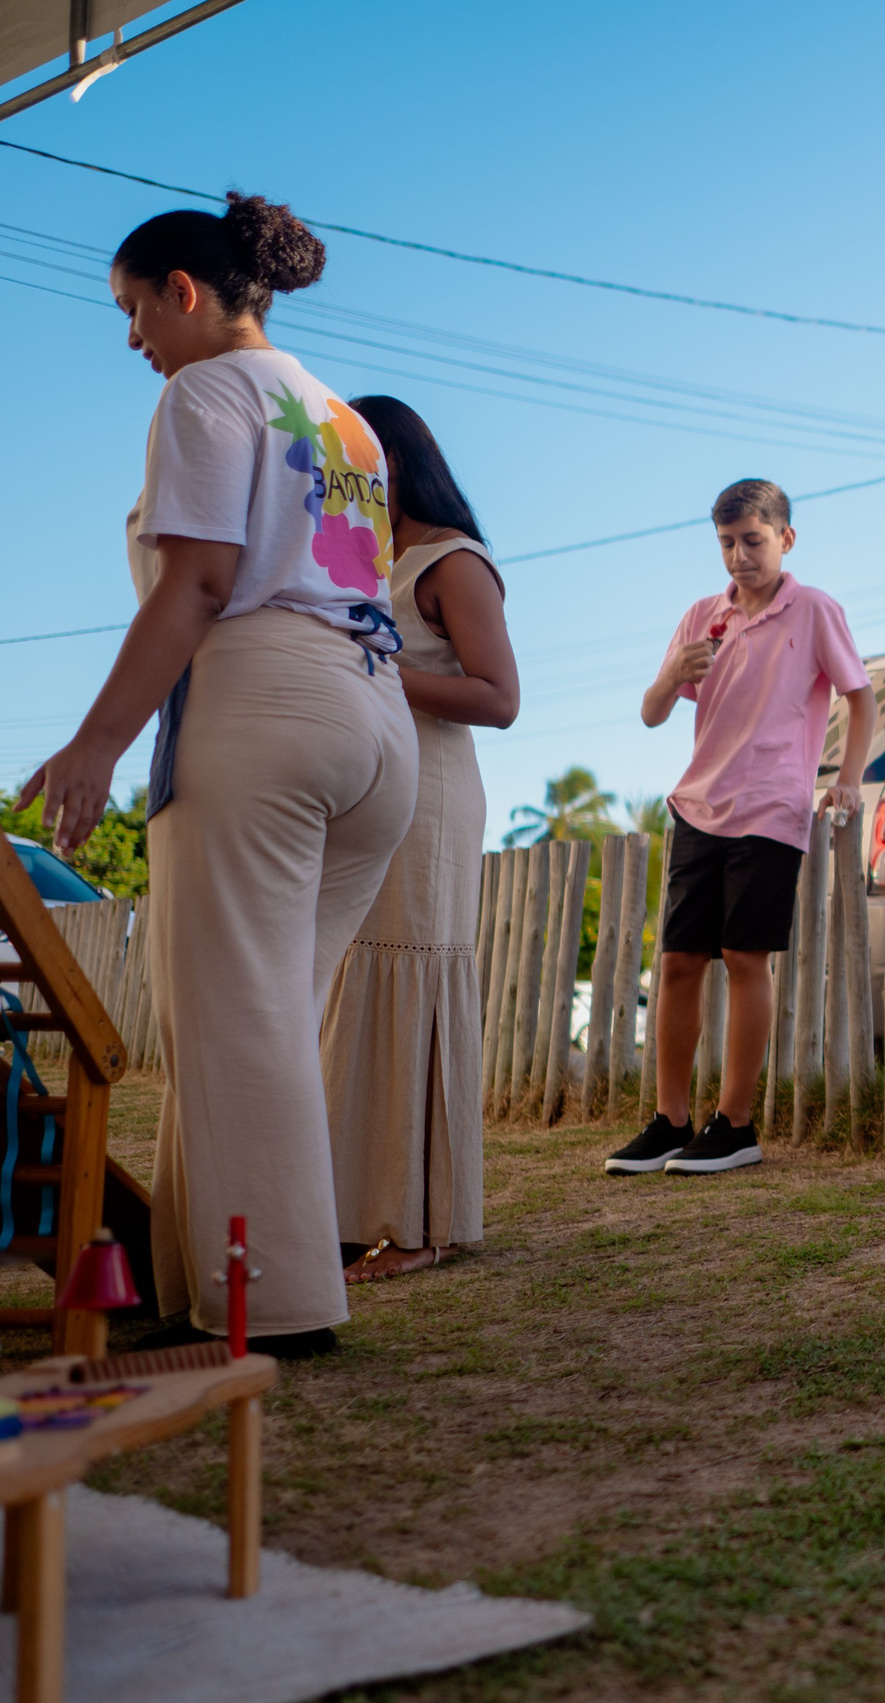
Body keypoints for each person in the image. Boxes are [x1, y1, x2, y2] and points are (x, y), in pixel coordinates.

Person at [24, 194, 416, 1357]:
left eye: (133, 309)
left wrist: (97, 737)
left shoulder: (201, 392)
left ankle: (278, 1312)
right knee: (265, 1019)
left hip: (263, 703)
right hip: (374, 718)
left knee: (237, 1022)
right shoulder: (345, 418)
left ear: (182, 291)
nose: (133, 338)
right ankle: (199, 1288)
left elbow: (198, 583)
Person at [605, 480, 876, 1177]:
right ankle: (670, 1121)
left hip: (771, 807)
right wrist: (672, 674)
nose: (738, 557)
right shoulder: (704, 615)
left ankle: (736, 1124)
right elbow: (650, 713)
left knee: (744, 956)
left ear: (786, 538)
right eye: (726, 543)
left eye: (752, 540)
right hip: (699, 804)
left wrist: (847, 775)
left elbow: (861, 696)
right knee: (677, 963)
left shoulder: (813, 609)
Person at [320, 396, 519, 1283]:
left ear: (396, 459)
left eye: (358, 459)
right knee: (357, 985)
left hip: (432, 796)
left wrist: (378, 670)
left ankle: (424, 1225)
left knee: (415, 981)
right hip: (364, 793)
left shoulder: (453, 560)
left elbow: (501, 698)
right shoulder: (363, 559)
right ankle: (360, 1207)